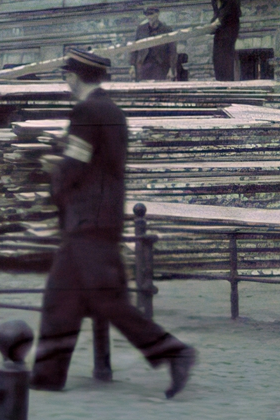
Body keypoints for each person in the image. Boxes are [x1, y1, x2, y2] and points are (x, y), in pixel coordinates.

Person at [32, 47, 196, 397]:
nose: (65, 80)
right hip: (102, 217)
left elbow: (76, 164)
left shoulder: (86, 111)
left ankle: (174, 352)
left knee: (108, 301)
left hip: (87, 220)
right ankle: (47, 375)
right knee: (60, 298)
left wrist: (54, 172)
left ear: (74, 76)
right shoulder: (113, 112)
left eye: (66, 75)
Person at [206, 0, 241, 82]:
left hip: (229, 25)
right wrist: (212, 22)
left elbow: (230, 6)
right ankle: (221, 82)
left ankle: (226, 84)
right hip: (222, 26)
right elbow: (218, 9)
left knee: (224, 57)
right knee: (218, 57)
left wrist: (219, 20)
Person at [131, 8, 176, 82]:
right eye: (147, 14)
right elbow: (134, 47)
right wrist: (132, 65)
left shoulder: (166, 30)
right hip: (143, 65)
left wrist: (172, 69)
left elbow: (172, 51)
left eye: (151, 14)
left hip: (160, 65)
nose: (149, 17)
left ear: (157, 14)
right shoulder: (141, 29)